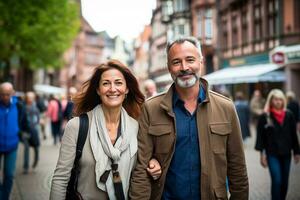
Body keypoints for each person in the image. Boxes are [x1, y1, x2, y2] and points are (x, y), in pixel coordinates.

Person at [130, 36, 248, 199]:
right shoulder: (151, 109)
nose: (184, 67)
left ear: (201, 62)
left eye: (190, 60)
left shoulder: (226, 108)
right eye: (176, 62)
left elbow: (238, 169)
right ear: (169, 67)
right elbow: (141, 169)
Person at [50, 60, 161, 200]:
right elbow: (60, 179)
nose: (112, 89)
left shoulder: (137, 128)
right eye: (106, 83)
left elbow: (142, 168)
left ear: (127, 89)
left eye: (119, 83)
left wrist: (154, 164)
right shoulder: (77, 126)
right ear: (98, 90)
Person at [255, 89, 300, 200]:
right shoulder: (265, 117)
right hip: (272, 153)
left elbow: (294, 134)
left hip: (286, 153)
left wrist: (297, 152)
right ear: (271, 101)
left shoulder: (289, 115)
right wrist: (262, 154)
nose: (278, 102)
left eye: (280, 99)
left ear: (283, 101)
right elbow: (260, 137)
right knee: (277, 180)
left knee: (285, 183)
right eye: (275, 99)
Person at [0, 82, 27, 200]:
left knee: (9, 175)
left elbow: (24, 122)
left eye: (7, 94)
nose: (5, 97)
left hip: (12, 146)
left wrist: (24, 133)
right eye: (2, 94)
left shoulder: (19, 106)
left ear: (12, 93)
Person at [22, 91, 40, 174]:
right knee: (26, 149)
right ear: (26, 98)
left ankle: (35, 162)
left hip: (34, 132)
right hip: (26, 132)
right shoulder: (23, 108)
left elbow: (37, 120)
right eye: (29, 97)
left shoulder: (35, 108)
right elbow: (21, 120)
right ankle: (26, 167)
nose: (31, 99)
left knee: (36, 148)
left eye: (32, 97)